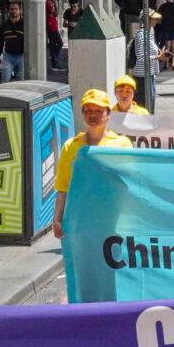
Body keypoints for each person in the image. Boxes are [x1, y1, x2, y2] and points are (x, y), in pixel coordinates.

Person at [52, 89, 133, 238]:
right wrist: (57, 219)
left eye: (98, 110)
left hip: (112, 221)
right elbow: (63, 188)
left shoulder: (122, 144)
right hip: (79, 221)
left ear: (108, 114)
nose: (93, 115)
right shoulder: (70, 146)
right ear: (82, 114)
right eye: (88, 110)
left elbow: (131, 186)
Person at [129, 11, 165, 111]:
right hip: (142, 76)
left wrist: (159, 52)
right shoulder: (141, 35)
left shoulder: (149, 33)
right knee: (144, 104)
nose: (156, 21)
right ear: (148, 20)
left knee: (150, 102)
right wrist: (157, 57)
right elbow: (140, 56)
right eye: (154, 19)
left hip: (149, 74)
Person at [0, 1, 25, 82]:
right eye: (12, 9)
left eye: (16, 9)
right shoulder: (5, 25)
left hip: (22, 56)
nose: (14, 11)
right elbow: (0, 41)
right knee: (5, 81)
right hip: (8, 56)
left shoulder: (25, 24)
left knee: (21, 82)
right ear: (9, 11)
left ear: (20, 10)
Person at [45, 0, 64, 70]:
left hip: (52, 24)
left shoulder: (48, 2)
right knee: (59, 43)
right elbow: (56, 13)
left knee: (53, 44)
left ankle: (54, 60)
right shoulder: (48, 3)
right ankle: (54, 60)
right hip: (51, 25)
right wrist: (55, 2)